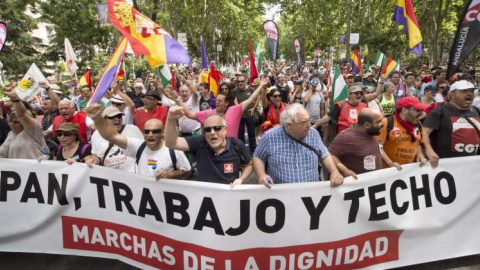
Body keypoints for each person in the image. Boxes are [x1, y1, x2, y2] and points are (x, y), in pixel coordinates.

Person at [86, 104, 191, 180]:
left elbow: (187, 172)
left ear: (162, 133)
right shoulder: (138, 146)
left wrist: (170, 175)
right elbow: (112, 136)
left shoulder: (174, 149)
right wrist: (97, 118)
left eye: (155, 131)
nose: (150, 134)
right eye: (147, 131)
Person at [253, 104, 344, 187]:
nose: (309, 125)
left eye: (309, 120)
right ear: (289, 125)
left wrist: (334, 171)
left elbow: (324, 154)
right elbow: (258, 156)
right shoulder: (270, 137)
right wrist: (262, 175)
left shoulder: (313, 134)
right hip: (281, 195)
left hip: (311, 193)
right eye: (303, 123)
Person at [165, 107, 252, 187]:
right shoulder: (199, 143)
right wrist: (171, 119)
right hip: (205, 197)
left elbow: (248, 165)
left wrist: (240, 179)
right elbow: (171, 143)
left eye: (217, 128)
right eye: (207, 129)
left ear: (225, 130)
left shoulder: (237, 145)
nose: (212, 132)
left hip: (229, 196)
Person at [182, 77, 269, 139]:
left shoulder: (234, 110)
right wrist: (178, 101)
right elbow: (189, 114)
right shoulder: (209, 113)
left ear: (227, 103)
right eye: (216, 101)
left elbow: (250, 99)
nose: (217, 103)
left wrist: (261, 85)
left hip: (231, 150)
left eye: (220, 101)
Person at [423, 80, 480, 168]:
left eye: (471, 91)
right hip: (445, 167)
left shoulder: (476, 111)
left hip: (471, 166)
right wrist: (429, 150)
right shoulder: (440, 111)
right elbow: (424, 132)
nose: (469, 94)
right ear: (452, 94)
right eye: (464, 91)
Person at [329, 108, 383, 178]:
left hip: (375, 182)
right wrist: (344, 170)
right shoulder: (346, 137)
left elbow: (378, 148)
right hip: (358, 185)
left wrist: (390, 163)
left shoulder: (373, 132)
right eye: (378, 122)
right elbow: (330, 155)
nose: (382, 124)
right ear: (367, 125)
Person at [86, 106, 143, 172]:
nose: (117, 119)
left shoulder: (133, 129)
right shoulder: (96, 134)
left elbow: (144, 150)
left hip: (133, 175)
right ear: (104, 119)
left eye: (119, 116)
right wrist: (94, 160)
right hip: (110, 177)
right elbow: (96, 156)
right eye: (112, 117)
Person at [378, 97, 428, 170]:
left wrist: (420, 156)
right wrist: (390, 163)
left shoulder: (418, 125)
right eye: (417, 110)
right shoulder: (387, 122)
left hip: (407, 172)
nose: (421, 114)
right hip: (387, 172)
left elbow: (417, 143)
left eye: (422, 110)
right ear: (404, 110)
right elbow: (378, 147)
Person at [0, 87, 48, 159]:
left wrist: (16, 99)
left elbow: (21, 115)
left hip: (33, 169)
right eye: (10, 121)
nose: (11, 124)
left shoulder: (32, 131)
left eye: (16, 122)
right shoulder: (11, 134)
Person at [233, 75, 258, 152]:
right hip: (240, 116)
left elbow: (258, 98)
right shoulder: (235, 91)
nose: (240, 83)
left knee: (251, 133)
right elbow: (235, 101)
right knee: (240, 134)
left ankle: (253, 150)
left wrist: (253, 108)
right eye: (239, 81)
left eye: (242, 81)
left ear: (245, 81)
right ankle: (242, 151)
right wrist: (238, 109)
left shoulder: (251, 89)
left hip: (249, 115)